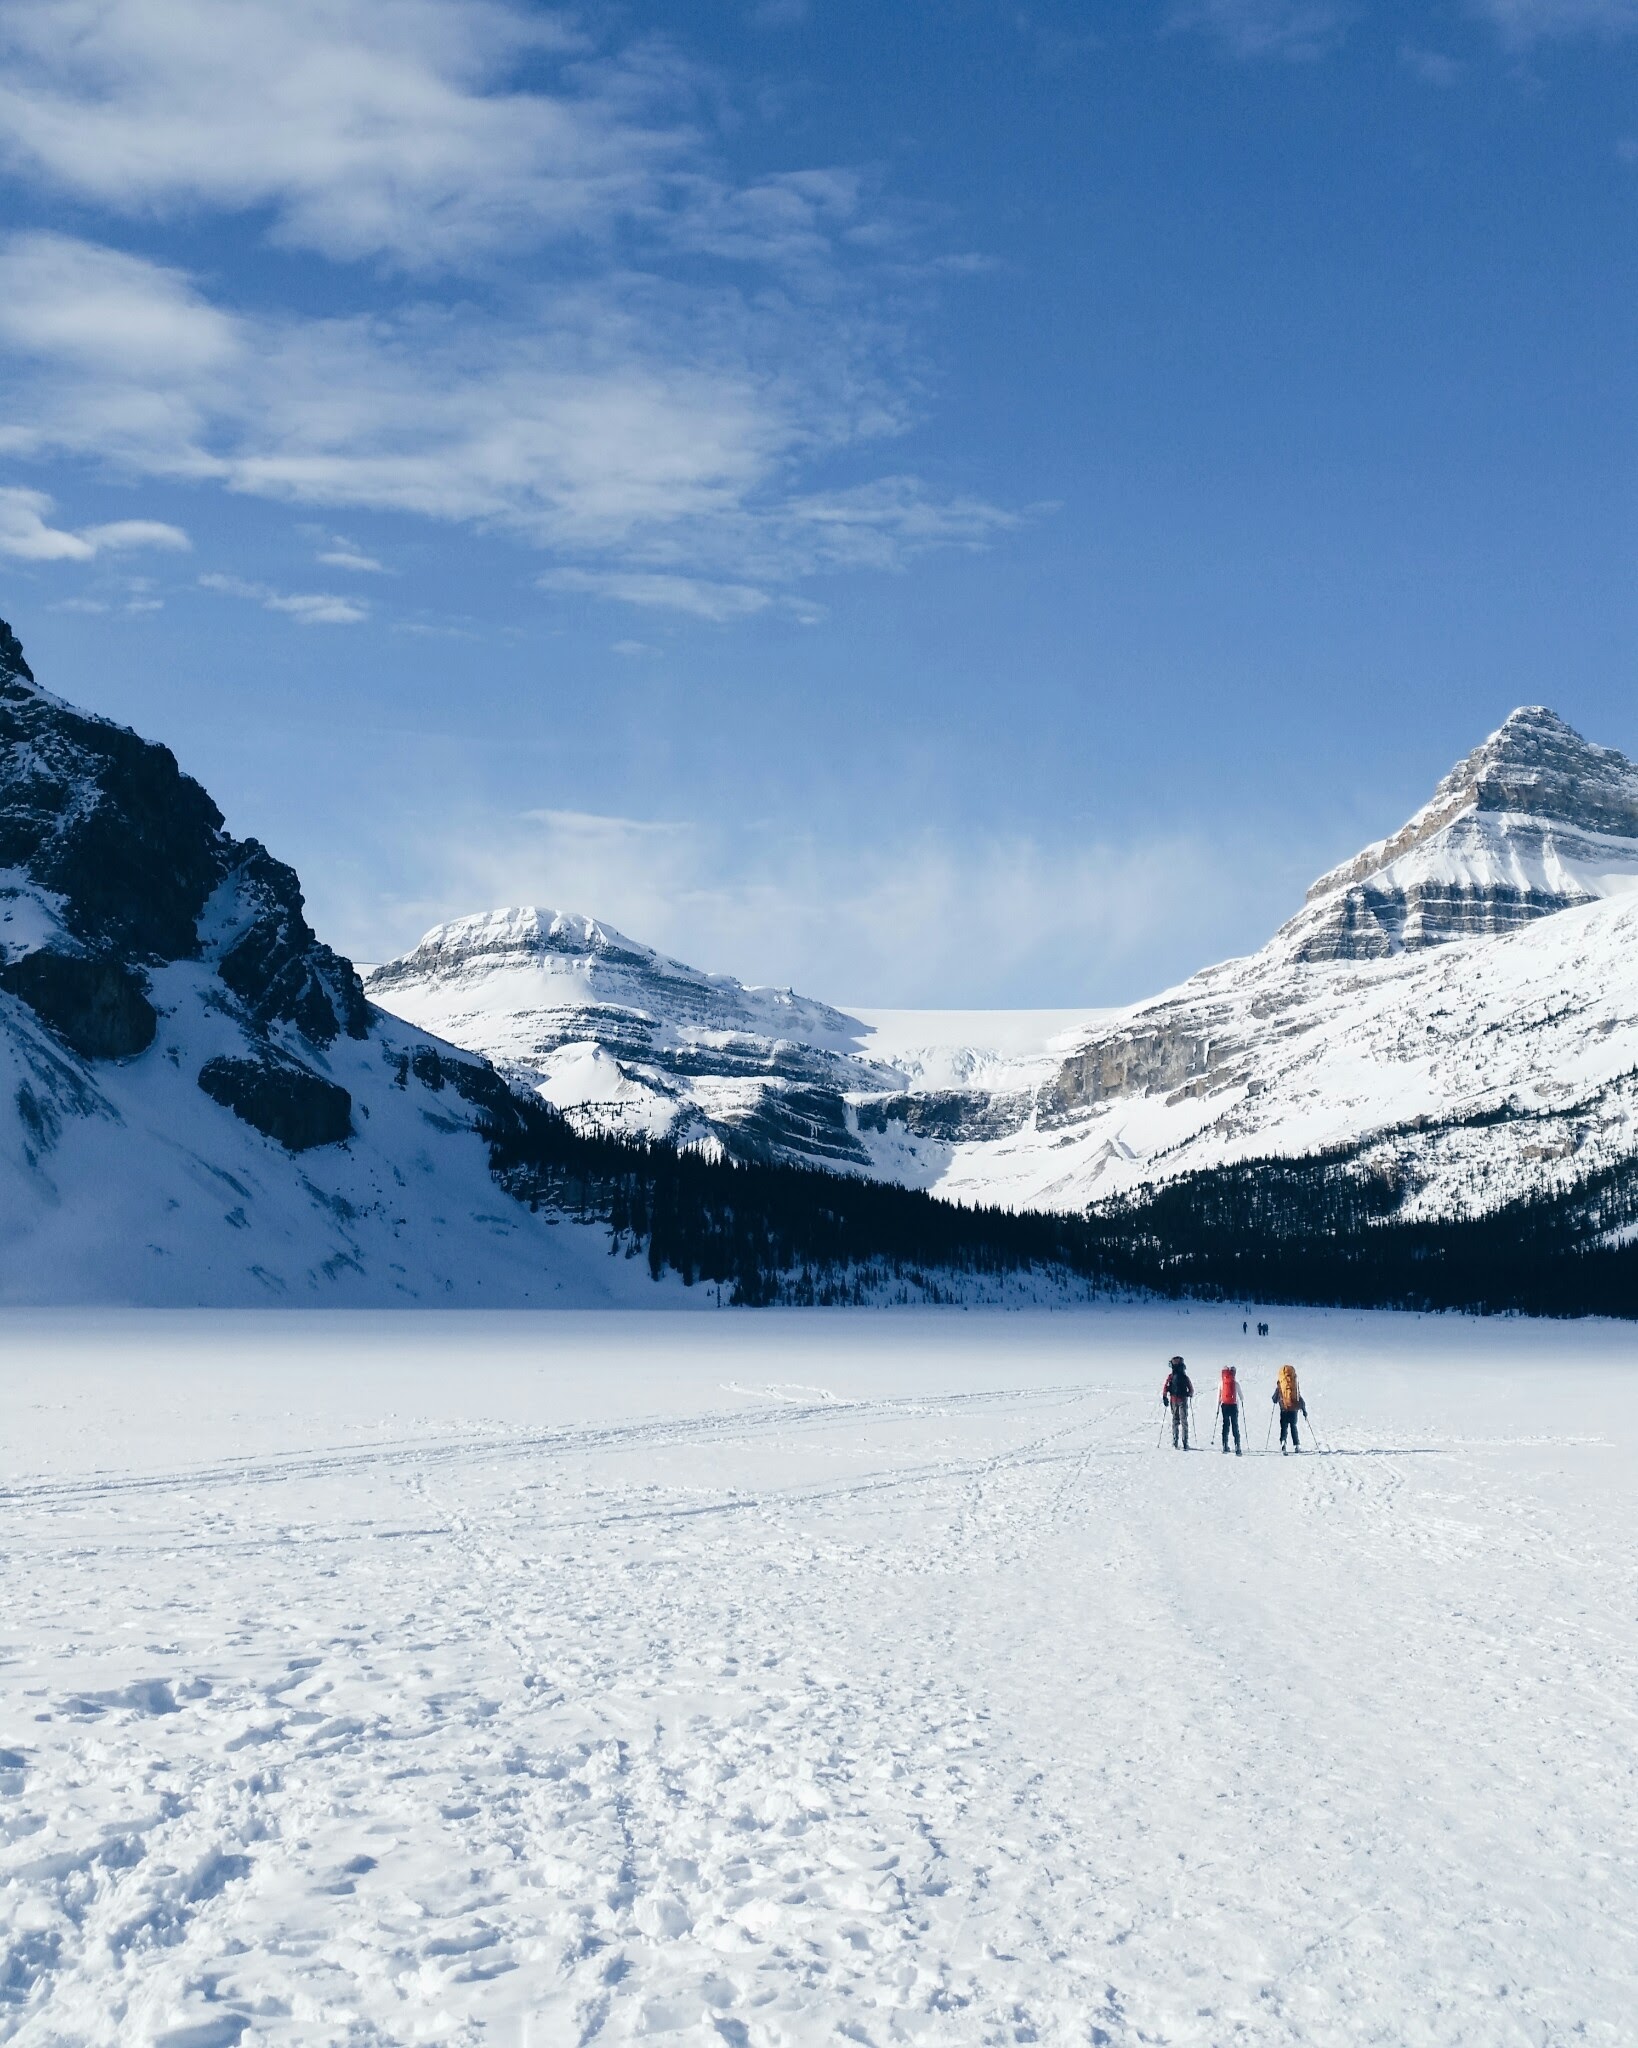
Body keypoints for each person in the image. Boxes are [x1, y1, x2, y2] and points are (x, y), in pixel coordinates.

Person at [1273, 1363, 1307, 1453]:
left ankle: (1283, 1443)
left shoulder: (1281, 1384)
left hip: (1284, 1409)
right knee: (1293, 1427)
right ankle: (1297, 1446)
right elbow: (1299, 1397)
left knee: (1284, 1428)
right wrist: (1304, 1411)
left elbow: (1274, 1399)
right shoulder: (1294, 1384)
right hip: (1293, 1410)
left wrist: (1277, 1397)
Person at [1162, 1354, 1193, 1449]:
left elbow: (1165, 1387)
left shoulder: (1171, 1376)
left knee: (1175, 1420)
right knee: (1184, 1421)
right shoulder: (1185, 1376)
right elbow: (1191, 1389)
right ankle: (1185, 1443)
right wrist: (1189, 1394)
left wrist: (1164, 1397)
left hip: (1173, 1400)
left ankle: (1175, 1442)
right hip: (1183, 1400)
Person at [1218, 1363, 1243, 1455]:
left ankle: (1225, 1445)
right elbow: (1241, 1397)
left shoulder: (1221, 1383)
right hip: (1233, 1406)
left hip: (1224, 1406)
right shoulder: (1235, 1383)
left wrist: (1218, 1406)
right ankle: (1237, 1446)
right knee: (1235, 1426)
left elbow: (1219, 1397)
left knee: (1225, 1425)